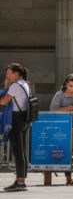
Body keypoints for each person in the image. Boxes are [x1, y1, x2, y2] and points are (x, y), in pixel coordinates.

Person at [0, 63, 31, 192]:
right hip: (23, 119)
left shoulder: (15, 86)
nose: (7, 75)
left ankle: (20, 182)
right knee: (21, 151)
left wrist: (6, 86)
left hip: (15, 119)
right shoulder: (25, 84)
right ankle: (21, 179)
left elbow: (3, 101)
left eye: (9, 73)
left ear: (16, 74)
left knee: (17, 152)